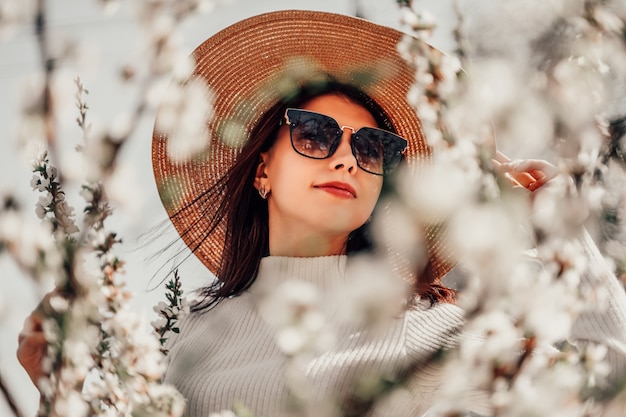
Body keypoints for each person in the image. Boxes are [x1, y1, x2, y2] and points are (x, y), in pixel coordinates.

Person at [17, 9, 626, 417]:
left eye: (373, 148)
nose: (346, 160)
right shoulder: (182, 342)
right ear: (261, 168)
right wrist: (61, 387)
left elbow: (612, 372)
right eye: (314, 133)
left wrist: (557, 230)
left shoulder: (455, 322)